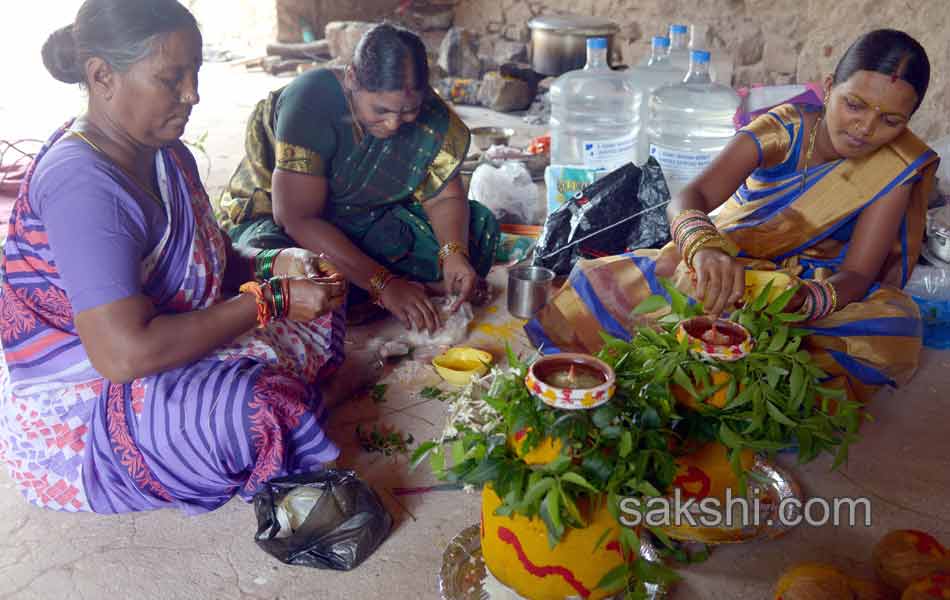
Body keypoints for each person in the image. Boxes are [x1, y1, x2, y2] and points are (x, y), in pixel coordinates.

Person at [0, 0, 376, 514]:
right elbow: (123, 357)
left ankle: (300, 405)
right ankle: (299, 408)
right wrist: (270, 302)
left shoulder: (165, 153)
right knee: (254, 408)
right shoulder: (83, 186)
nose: (192, 94)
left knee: (325, 307)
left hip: (158, 346)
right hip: (84, 410)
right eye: (171, 78)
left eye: (194, 73)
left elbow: (214, 261)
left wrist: (278, 264)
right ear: (101, 76)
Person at [527, 29, 938, 403]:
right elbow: (694, 194)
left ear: (907, 123)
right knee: (633, 281)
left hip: (811, 281)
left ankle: (732, 369)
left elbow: (858, 274)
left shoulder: (895, 166)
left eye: (890, 120)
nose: (865, 128)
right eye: (854, 105)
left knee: (893, 326)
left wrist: (806, 301)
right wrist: (703, 248)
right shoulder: (783, 128)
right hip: (731, 260)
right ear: (829, 87)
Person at [217, 23, 499, 333]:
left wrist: (453, 254)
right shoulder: (312, 99)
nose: (393, 124)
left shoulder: (431, 116)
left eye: (408, 112)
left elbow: (444, 195)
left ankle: (379, 291)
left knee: (477, 228)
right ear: (352, 77)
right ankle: (388, 291)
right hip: (289, 221)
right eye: (380, 110)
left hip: (367, 217)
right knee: (282, 270)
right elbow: (295, 218)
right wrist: (384, 283)